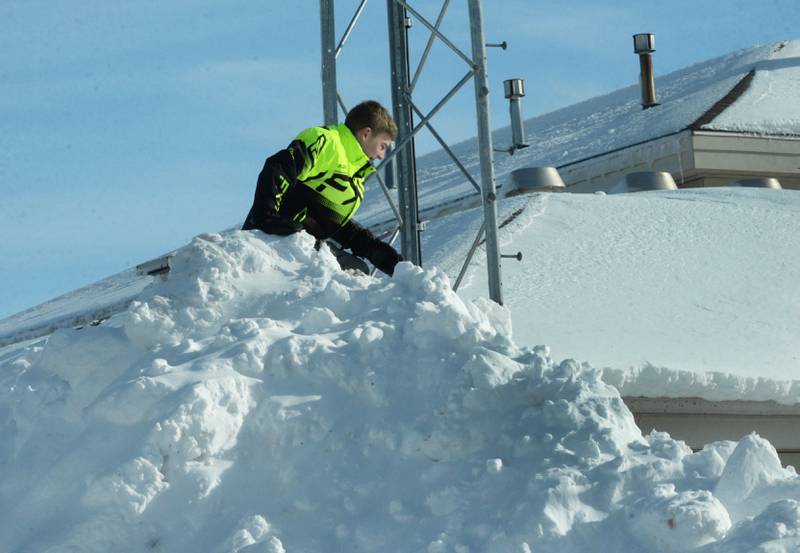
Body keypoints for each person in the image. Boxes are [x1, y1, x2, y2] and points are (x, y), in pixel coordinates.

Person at [243, 100, 403, 276]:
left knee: (358, 270)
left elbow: (327, 218)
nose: (381, 155)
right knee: (354, 275)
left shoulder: (354, 174)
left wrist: (377, 252)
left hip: (301, 244)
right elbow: (279, 167)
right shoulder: (327, 142)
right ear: (366, 134)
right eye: (383, 146)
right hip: (277, 240)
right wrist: (266, 217)